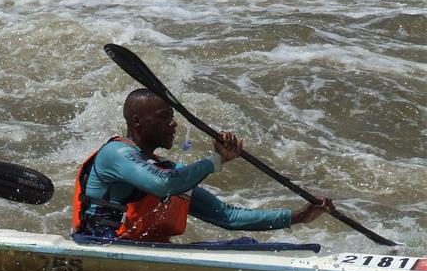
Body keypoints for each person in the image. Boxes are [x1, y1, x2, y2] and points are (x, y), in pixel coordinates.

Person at [72, 88, 333, 242]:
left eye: (173, 118)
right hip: (98, 245)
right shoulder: (116, 153)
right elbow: (163, 185)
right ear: (137, 121)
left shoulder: (164, 169)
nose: (174, 124)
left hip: (140, 252)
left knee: (242, 245)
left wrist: (299, 217)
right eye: (164, 117)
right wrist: (216, 160)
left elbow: (227, 217)